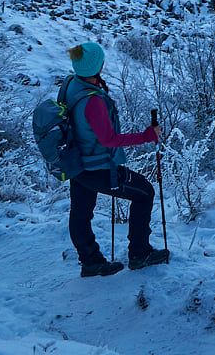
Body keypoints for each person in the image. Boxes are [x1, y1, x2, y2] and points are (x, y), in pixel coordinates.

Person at [61, 41, 169, 277]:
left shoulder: (71, 84)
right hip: (97, 166)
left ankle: (91, 262)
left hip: (77, 162)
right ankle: (140, 254)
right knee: (145, 193)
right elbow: (108, 139)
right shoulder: (93, 101)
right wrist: (146, 136)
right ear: (97, 66)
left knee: (80, 212)